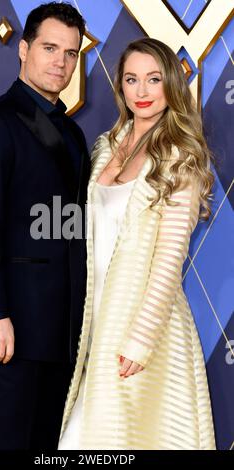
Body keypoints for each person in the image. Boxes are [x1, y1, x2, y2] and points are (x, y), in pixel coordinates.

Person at [58, 37, 216, 450]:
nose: (141, 92)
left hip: (142, 329)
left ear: (171, 85)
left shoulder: (180, 156)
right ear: (120, 86)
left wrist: (140, 339)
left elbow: (169, 260)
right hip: (94, 321)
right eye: (132, 79)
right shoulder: (106, 148)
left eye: (153, 79)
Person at [0, 2, 90, 450]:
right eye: (50, 48)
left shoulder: (72, 134)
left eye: (71, 53)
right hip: (8, 329)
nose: (61, 62)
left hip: (63, 331)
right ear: (23, 49)